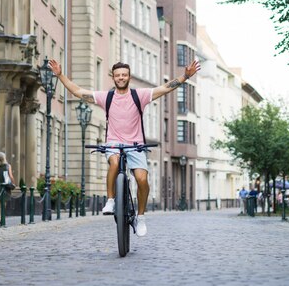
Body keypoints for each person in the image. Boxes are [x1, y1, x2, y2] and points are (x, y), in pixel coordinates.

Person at [48, 58, 200, 237]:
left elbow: (165, 88)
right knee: (115, 161)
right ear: (113, 77)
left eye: (124, 75)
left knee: (142, 180)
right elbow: (78, 92)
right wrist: (60, 75)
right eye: (118, 75)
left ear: (129, 77)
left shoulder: (139, 95)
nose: (121, 78)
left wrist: (185, 77)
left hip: (136, 145)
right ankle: (111, 200)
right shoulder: (107, 97)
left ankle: (141, 217)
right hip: (113, 143)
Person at [0, 152, 15, 221]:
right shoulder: (8, 166)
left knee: (0, 202)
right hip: (5, 185)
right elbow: (11, 176)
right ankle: (1, 216)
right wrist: (13, 183)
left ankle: (0, 215)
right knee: (4, 202)